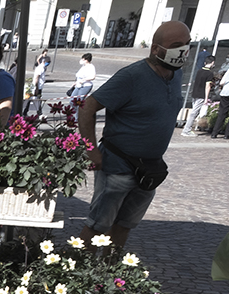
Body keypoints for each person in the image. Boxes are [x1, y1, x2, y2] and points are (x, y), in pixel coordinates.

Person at [77, 21, 192, 250]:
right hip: (118, 165)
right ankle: (75, 271)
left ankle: (110, 273)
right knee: (98, 224)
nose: (183, 50)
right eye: (176, 45)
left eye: (187, 44)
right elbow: (87, 108)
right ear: (156, 48)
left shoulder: (175, 75)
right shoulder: (131, 76)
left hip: (149, 169)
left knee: (125, 225)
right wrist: (91, 149)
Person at [182, 55, 216, 135]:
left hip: (195, 93)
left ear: (205, 62)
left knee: (194, 112)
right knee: (194, 113)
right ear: (212, 63)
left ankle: (187, 129)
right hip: (201, 94)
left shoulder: (199, 71)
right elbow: (207, 86)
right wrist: (206, 98)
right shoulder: (209, 74)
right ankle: (186, 130)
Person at [209, 67, 229, 138]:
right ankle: (227, 135)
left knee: (221, 114)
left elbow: (221, 82)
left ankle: (214, 133)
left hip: (225, 93)